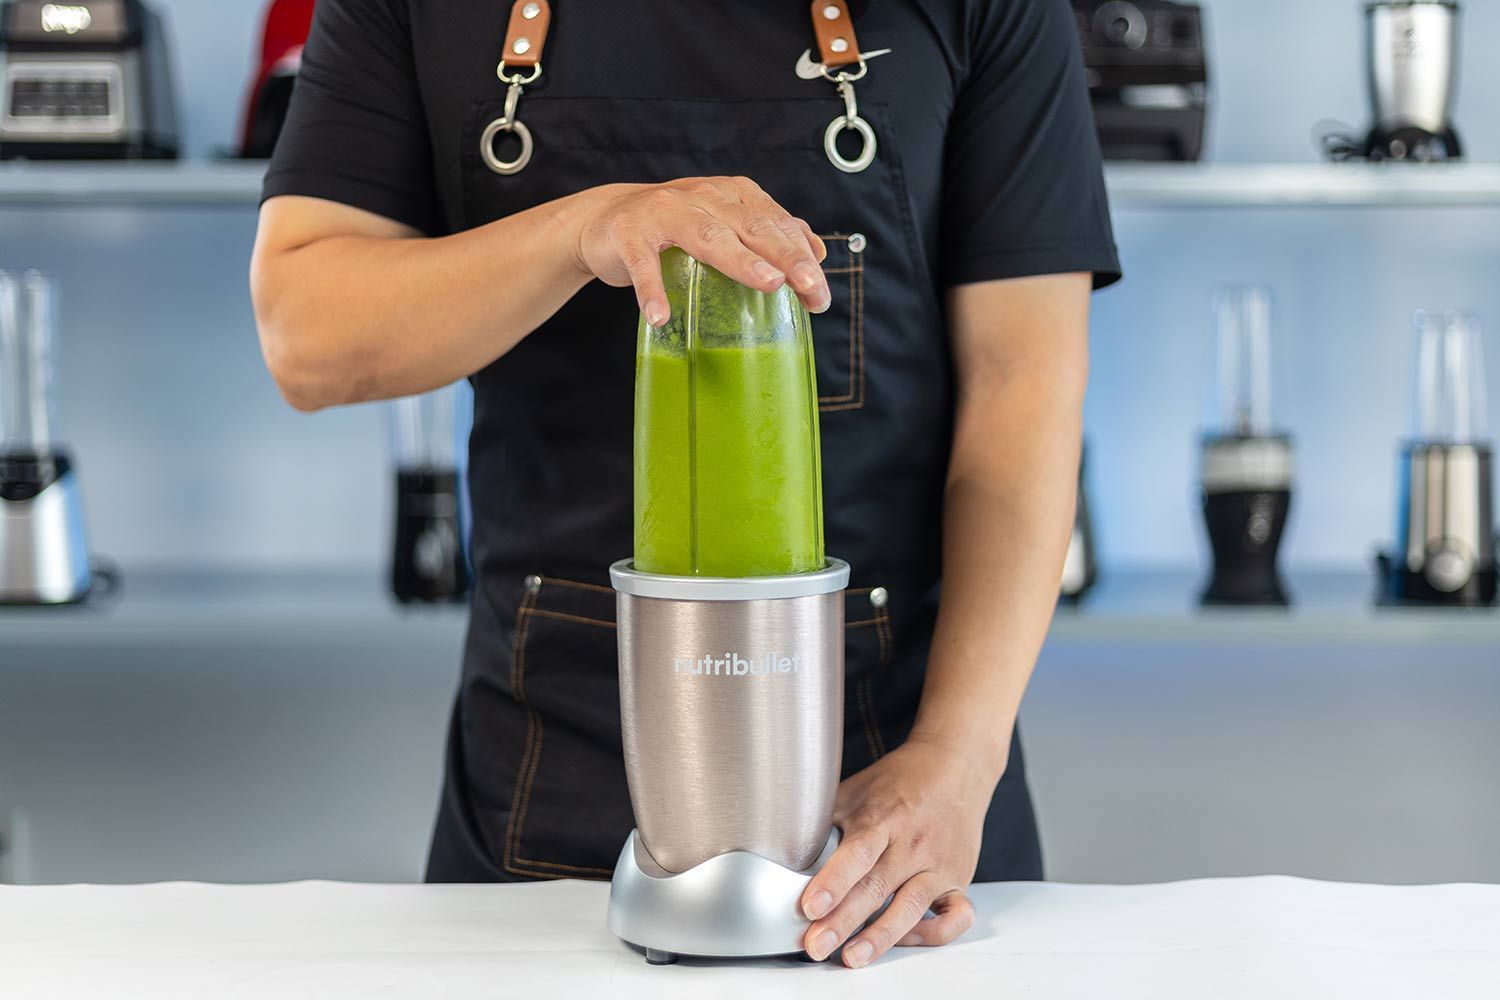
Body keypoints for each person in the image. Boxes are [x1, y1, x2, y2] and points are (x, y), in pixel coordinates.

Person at [251, 0, 1120, 969]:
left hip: (895, 828)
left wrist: (958, 762)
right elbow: (306, 334)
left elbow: (1025, 382)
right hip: (541, 810)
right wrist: (587, 226)